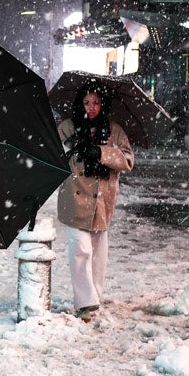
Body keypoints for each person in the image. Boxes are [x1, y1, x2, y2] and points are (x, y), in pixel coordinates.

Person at [56, 85, 135, 323]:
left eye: (96, 103)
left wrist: (101, 152)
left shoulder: (114, 131)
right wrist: (71, 151)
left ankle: (95, 297)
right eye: (87, 103)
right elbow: (53, 153)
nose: (92, 108)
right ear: (80, 103)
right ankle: (84, 302)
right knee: (81, 249)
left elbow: (128, 160)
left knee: (99, 253)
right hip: (75, 196)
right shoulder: (67, 128)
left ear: (103, 105)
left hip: (102, 199)